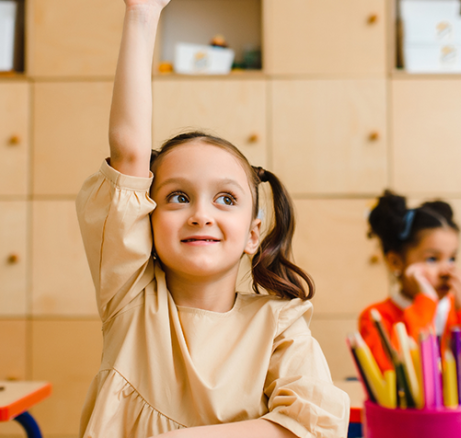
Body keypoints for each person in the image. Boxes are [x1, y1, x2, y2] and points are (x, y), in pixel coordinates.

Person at [74, 1, 350, 437]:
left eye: (225, 199)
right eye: (178, 197)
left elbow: (309, 426)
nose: (201, 215)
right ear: (146, 217)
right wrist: (142, 14)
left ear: (253, 233)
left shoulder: (280, 323)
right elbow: (128, 154)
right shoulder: (130, 294)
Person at [359, 190, 461, 376]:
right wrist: (425, 303)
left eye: (452, 258)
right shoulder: (376, 317)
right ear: (395, 262)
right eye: (432, 259)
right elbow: (398, 375)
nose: (447, 270)